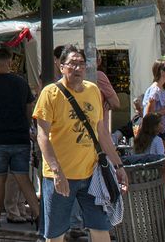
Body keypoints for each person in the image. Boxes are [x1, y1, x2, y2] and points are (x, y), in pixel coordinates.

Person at [33, 45, 129, 242]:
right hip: (59, 177)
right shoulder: (50, 93)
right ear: (61, 66)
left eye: (81, 64)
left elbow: (101, 132)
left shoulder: (93, 90)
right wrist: (56, 171)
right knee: (56, 235)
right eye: (72, 64)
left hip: (92, 175)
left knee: (101, 228)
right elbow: (42, 136)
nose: (77, 68)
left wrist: (118, 165)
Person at [0, 47, 38, 227]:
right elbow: (30, 108)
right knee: (23, 178)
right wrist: (26, 127)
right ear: (11, 62)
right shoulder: (21, 83)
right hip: (19, 137)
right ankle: (39, 215)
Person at [142, 59, 165, 212]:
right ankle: (162, 199)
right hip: (160, 131)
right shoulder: (156, 90)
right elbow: (148, 114)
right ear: (162, 72)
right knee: (163, 165)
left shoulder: (162, 89)